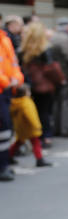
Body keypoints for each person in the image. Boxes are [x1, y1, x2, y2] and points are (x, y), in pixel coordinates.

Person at [19, 22, 65, 149]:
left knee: (33, 112)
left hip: (29, 84)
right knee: (45, 111)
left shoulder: (23, 49)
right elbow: (51, 67)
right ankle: (46, 136)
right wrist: (59, 80)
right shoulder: (45, 48)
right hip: (44, 84)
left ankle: (35, 137)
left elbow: (20, 67)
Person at [0, 19, 24, 181]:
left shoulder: (5, 39)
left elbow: (14, 62)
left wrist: (17, 79)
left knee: (5, 128)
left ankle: (3, 163)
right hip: (4, 87)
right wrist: (8, 81)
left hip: (6, 90)